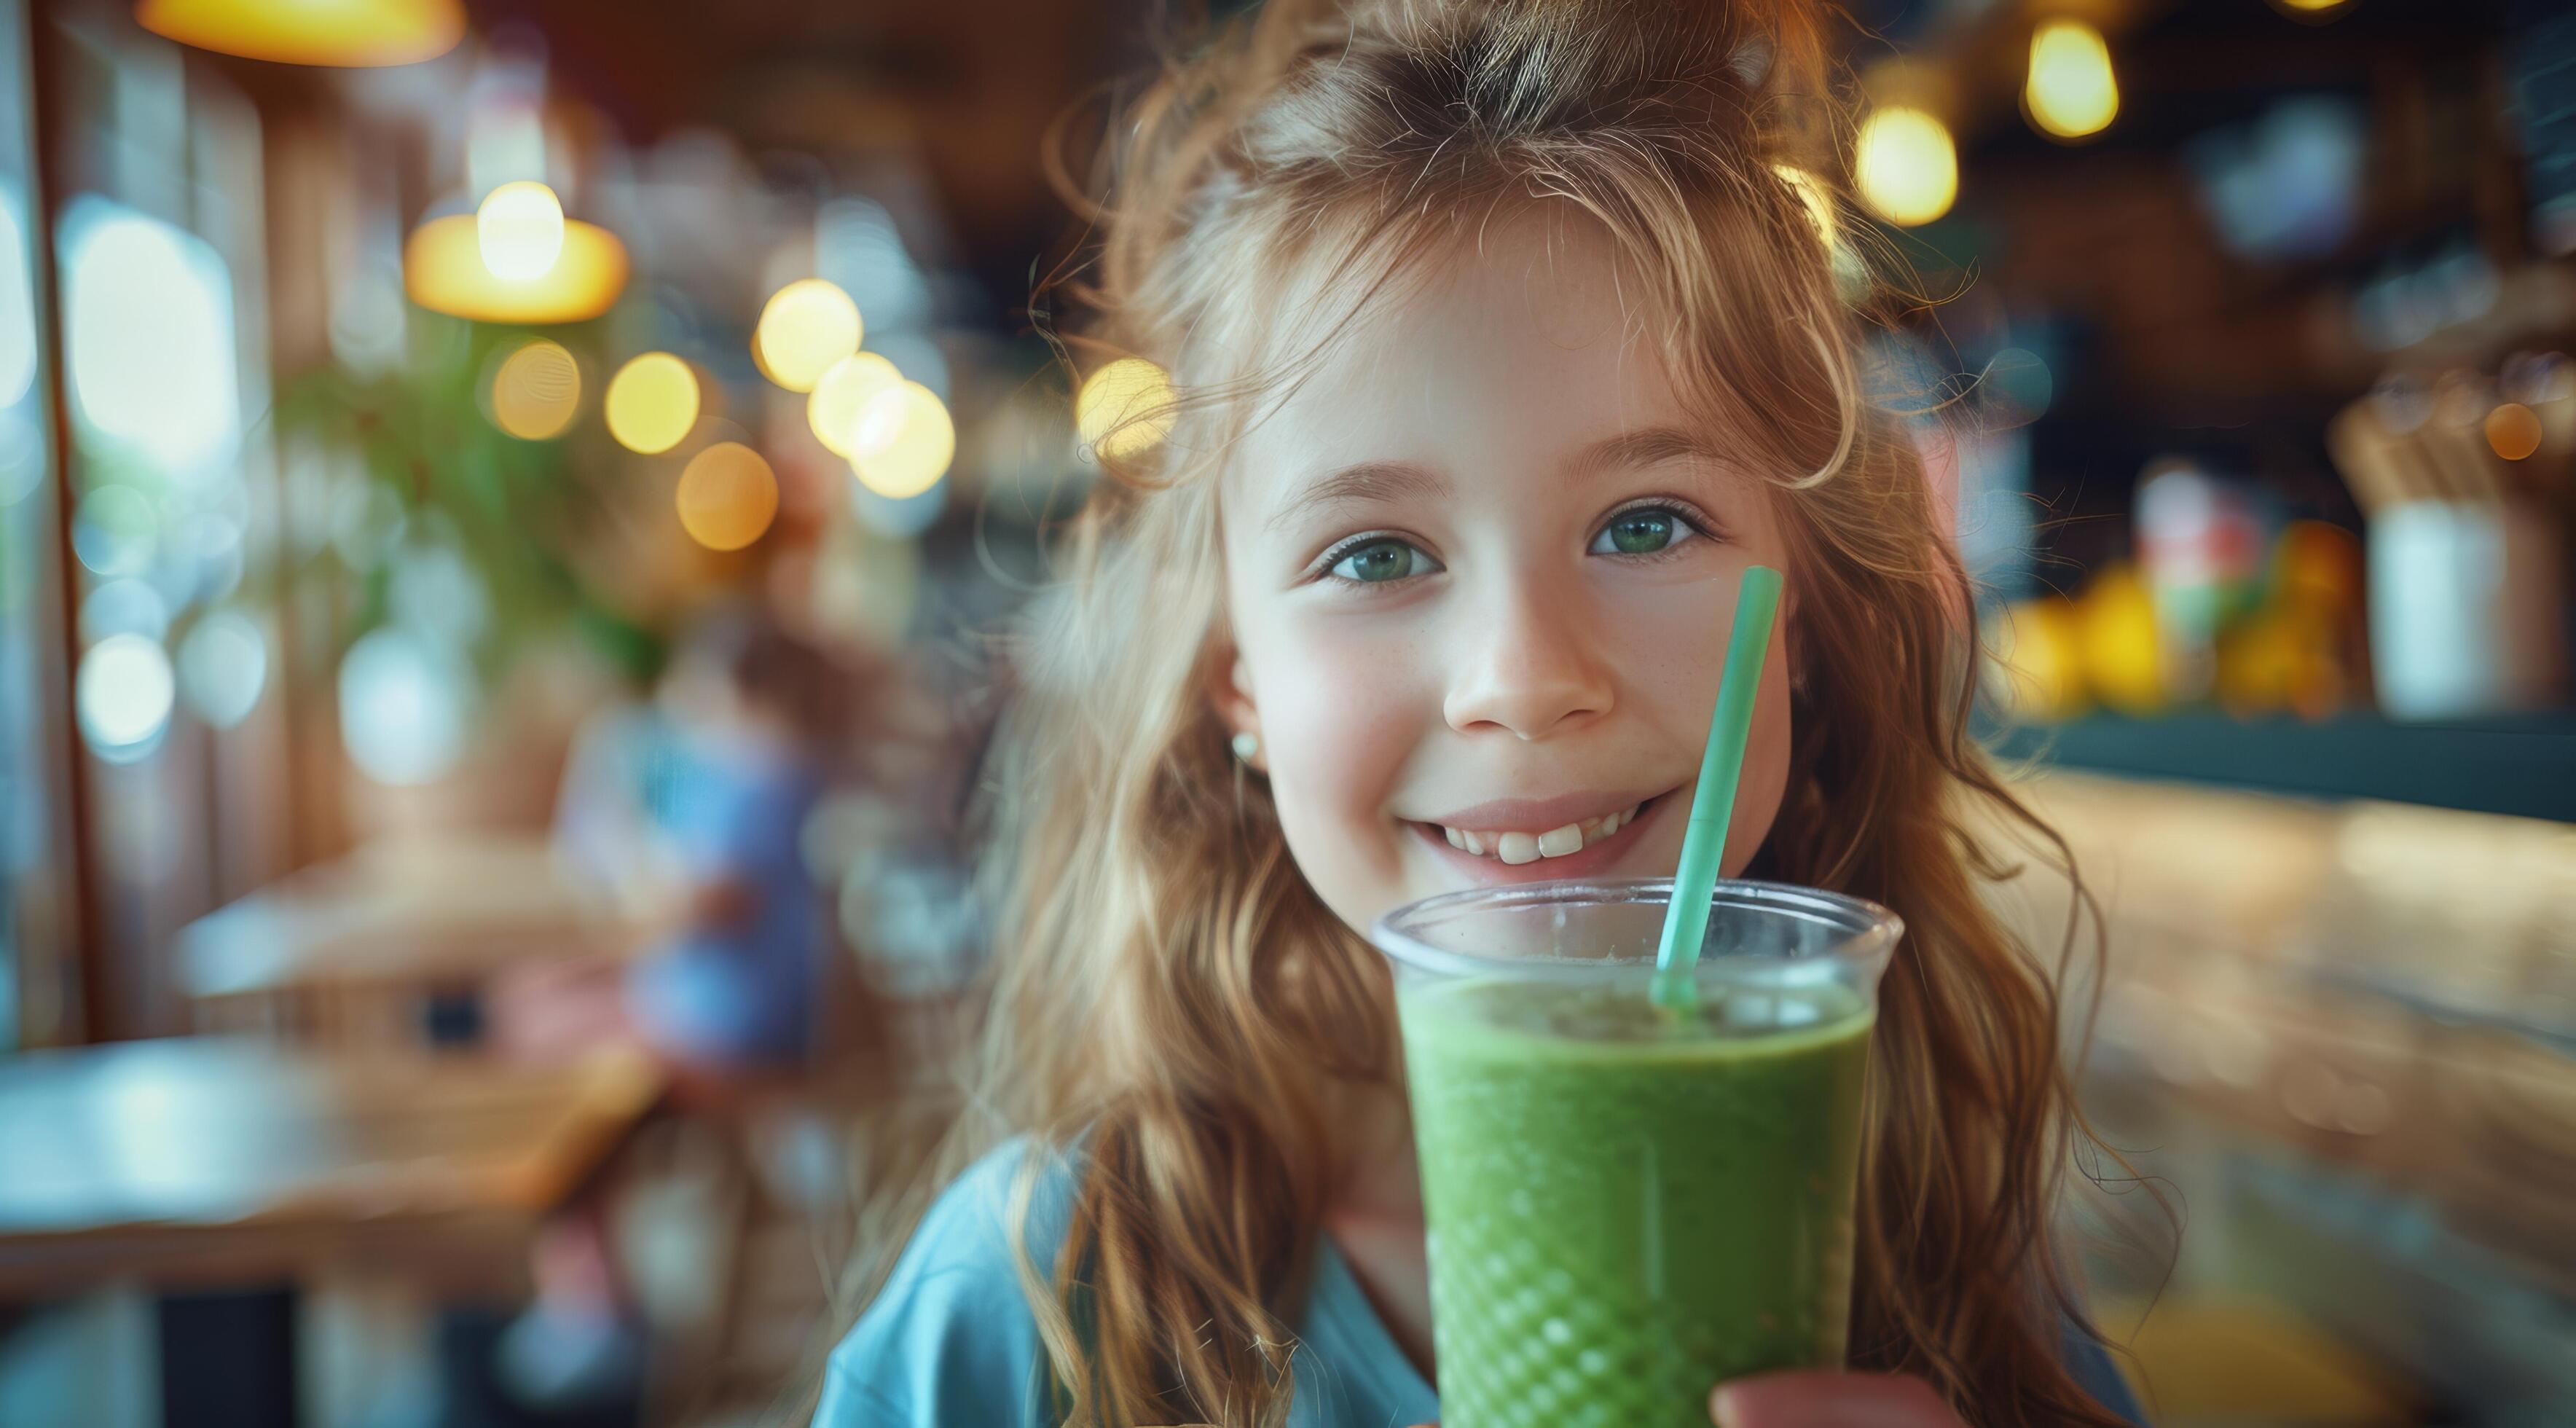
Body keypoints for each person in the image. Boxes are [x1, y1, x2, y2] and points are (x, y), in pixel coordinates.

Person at [817, 0, 2152, 1424]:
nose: (1522, 677)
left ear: (1805, 623)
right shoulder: (1041, 1311)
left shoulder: (1950, 1281)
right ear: (1238, 681)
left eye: (1647, 523)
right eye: (1375, 554)